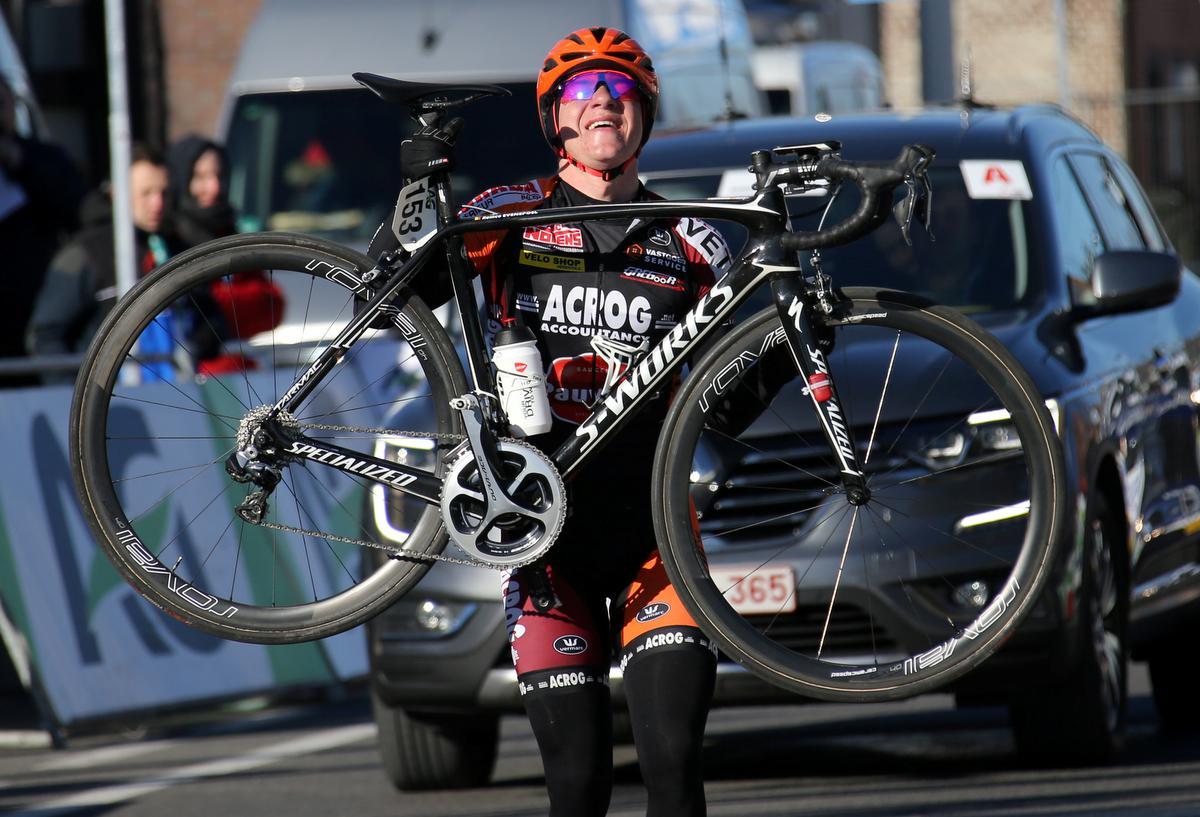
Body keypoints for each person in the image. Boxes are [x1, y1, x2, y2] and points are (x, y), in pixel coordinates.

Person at [371, 26, 729, 816]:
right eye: (581, 93)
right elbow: (384, 297)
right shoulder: (508, 212)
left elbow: (732, 405)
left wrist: (783, 341)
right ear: (555, 122)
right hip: (542, 543)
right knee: (577, 785)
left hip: (657, 538)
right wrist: (413, 192)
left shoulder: (695, 240)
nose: (604, 102)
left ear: (644, 116)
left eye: (622, 91)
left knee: (672, 768)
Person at [26, 143, 176, 382]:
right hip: (109, 407)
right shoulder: (84, 254)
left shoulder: (173, 245)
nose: (157, 203)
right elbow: (45, 335)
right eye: (146, 193)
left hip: (178, 397)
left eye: (164, 193)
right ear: (117, 193)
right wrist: (77, 398)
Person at [163, 135, 283, 366]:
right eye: (200, 177)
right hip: (179, 382)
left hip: (237, 376)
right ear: (180, 177)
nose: (214, 187)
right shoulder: (165, 240)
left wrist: (214, 302)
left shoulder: (230, 233)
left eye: (219, 176)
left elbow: (272, 306)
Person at [0, 75, 86, 386]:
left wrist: (22, 164)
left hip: (32, 308)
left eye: (2, 104)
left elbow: (76, 208)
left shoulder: (40, 157)